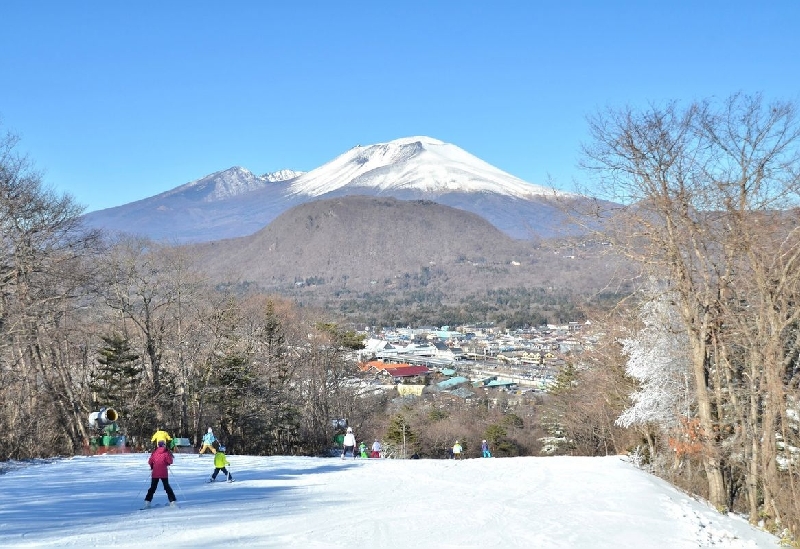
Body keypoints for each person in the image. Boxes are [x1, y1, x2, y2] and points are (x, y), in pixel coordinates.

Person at [142, 441, 177, 508]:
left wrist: (152, 466)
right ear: (164, 445)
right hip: (164, 472)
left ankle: (147, 502)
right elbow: (170, 461)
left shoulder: (154, 452)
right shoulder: (166, 452)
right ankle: (172, 501)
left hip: (155, 472)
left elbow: (150, 461)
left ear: (158, 445)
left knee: (153, 487)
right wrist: (167, 463)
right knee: (167, 487)